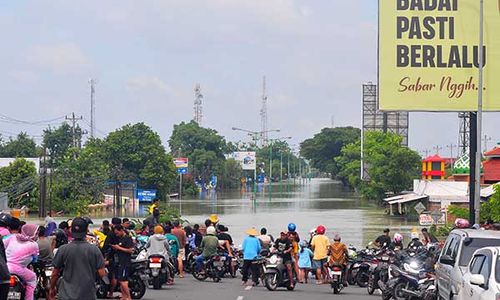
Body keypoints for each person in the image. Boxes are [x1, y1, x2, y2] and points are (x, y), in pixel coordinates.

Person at [48, 218, 105, 300]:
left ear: (71, 230)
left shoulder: (63, 249)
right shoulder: (94, 250)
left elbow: (55, 273)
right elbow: (102, 273)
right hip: (88, 294)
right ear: (86, 230)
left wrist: (52, 288)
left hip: (66, 295)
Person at [5, 224, 39, 300]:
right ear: (33, 233)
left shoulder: (12, 237)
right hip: (18, 269)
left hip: (5, 266)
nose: (37, 235)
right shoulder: (34, 245)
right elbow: (35, 259)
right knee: (32, 278)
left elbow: (2, 246)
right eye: (36, 233)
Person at [111, 225, 134, 300]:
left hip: (125, 262)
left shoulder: (128, 239)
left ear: (121, 230)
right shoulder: (120, 239)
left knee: (123, 281)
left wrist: (119, 248)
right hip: (119, 261)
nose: (116, 234)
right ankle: (124, 296)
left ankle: (129, 296)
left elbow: (130, 250)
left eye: (117, 233)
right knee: (120, 281)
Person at [102, 217, 122, 299]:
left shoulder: (111, 233)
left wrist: (104, 256)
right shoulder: (123, 232)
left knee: (114, 275)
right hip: (122, 256)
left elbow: (105, 247)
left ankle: (110, 293)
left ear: (112, 224)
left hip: (113, 257)